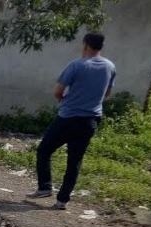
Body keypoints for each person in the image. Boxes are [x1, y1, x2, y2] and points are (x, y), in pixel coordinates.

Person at [27, 33, 116, 210]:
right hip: (91, 120)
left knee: (44, 150)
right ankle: (62, 201)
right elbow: (107, 94)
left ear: (85, 45)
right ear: (101, 46)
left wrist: (66, 99)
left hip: (68, 118)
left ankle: (45, 187)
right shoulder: (110, 66)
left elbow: (58, 91)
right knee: (74, 161)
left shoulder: (77, 65)